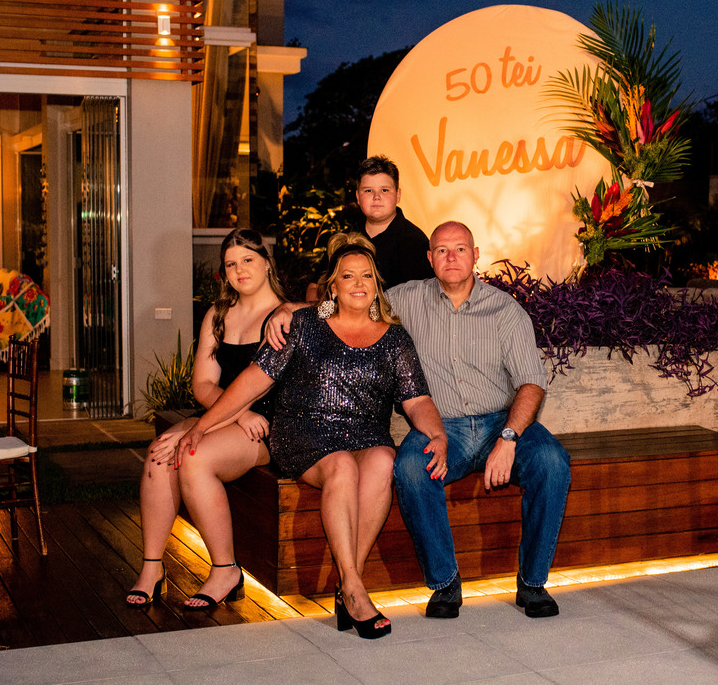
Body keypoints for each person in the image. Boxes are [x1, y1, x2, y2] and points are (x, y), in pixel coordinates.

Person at [270, 221, 572, 619]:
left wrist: (509, 437)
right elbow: (351, 300)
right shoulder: (404, 300)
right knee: (411, 466)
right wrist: (293, 310)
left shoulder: (505, 309)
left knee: (552, 462)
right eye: (442, 250)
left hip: (501, 422)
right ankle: (445, 583)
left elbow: (532, 383)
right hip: (442, 427)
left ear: (475, 255)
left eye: (460, 249)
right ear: (430, 258)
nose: (451, 257)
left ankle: (533, 583)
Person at [178, 233, 447, 639]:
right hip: (304, 428)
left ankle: (349, 582)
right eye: (348, 276)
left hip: (365, 432)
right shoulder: (304, 325)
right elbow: (252, 381)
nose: (358, 283)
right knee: (341, 465)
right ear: (332, 287)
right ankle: (354, 589)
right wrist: (202, 425)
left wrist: (437, 434)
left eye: (366, 276)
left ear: (376, 285)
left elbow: (418, 400)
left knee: (383, 460)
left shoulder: (394, 338)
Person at [124, 229, 284, 611]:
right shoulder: (218, 314)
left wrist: (242, 415)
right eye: (230, 264)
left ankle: (226, 570)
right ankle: (152, 567)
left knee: (193, 457)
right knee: (160, 453)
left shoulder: (283, 317)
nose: (240, 270)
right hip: (231, 415)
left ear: (266, 262)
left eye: (248, 259)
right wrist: (237, 414)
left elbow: (262, 383)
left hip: (267, 423)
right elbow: (202, 384)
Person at [304, 155, 433, 301]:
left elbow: (422, 302)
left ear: (398, 195)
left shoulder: (415, 242)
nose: (376, 197)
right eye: (368, 191)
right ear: (358, 197)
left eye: (385, 190)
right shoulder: (345, 239)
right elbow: (314, 288)